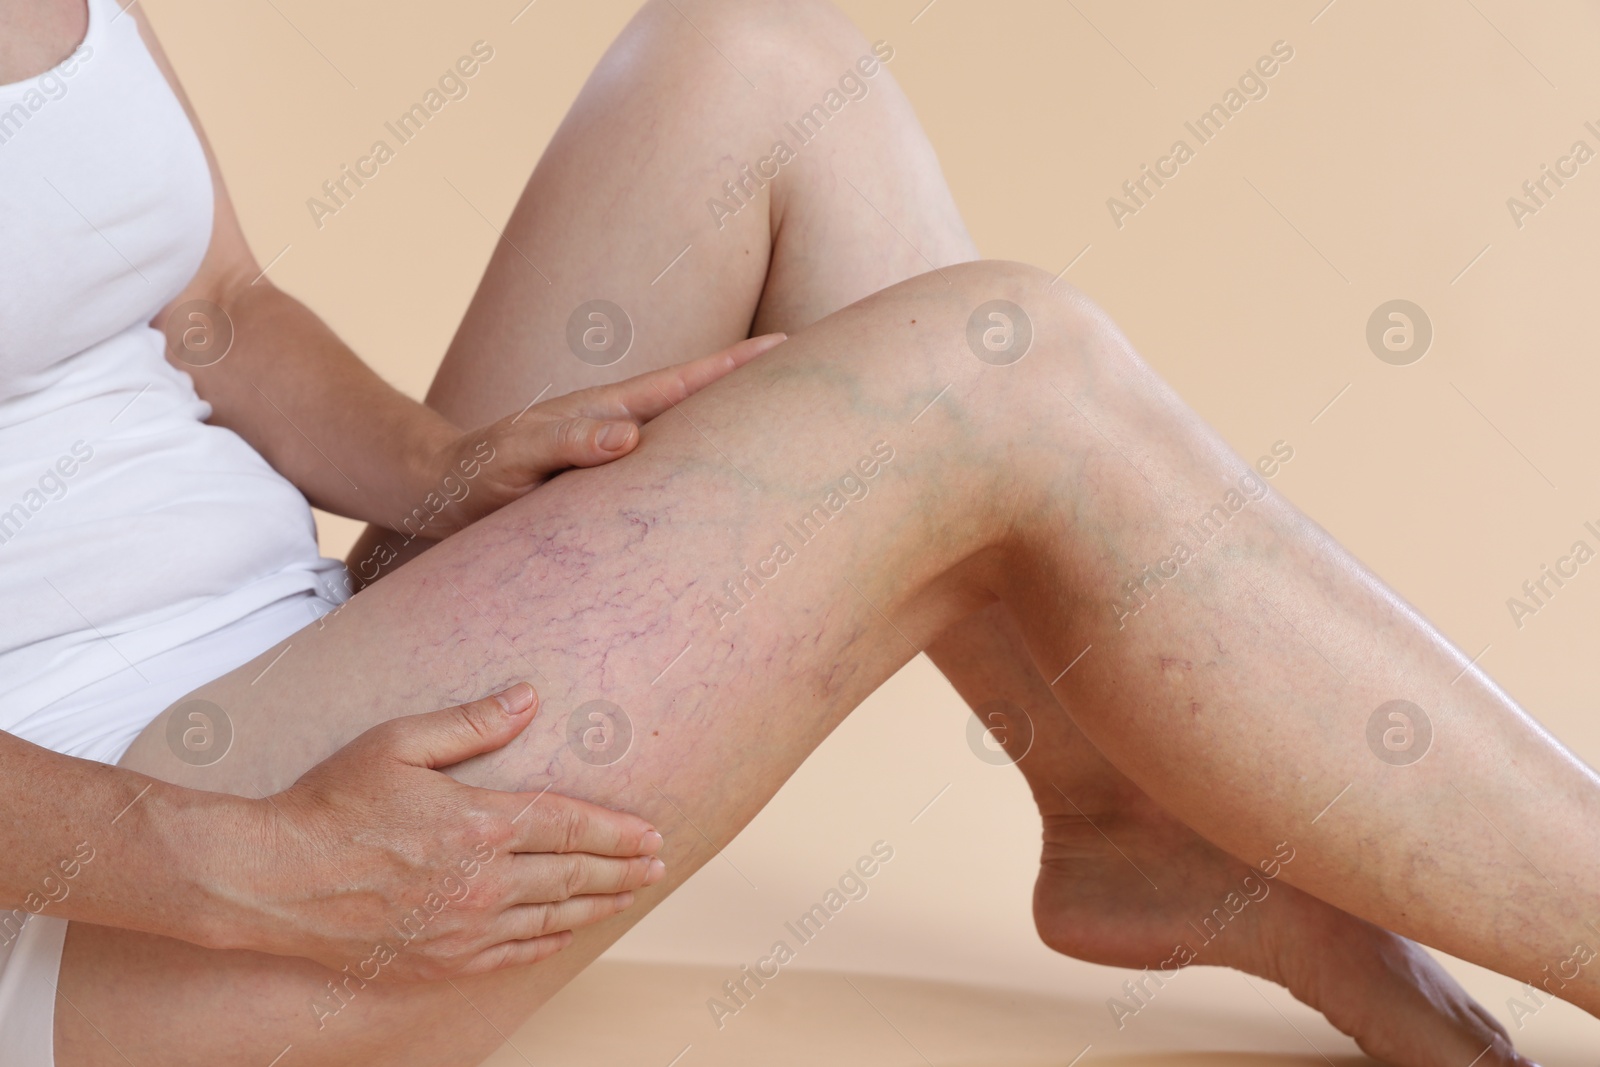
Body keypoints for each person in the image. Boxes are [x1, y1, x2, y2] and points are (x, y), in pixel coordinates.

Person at [0, 0, 1584, 1064]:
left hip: (297, 658)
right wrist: (248, 869)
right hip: (104, 883)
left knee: (757, 65)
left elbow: (215, 307)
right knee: (1003, 371)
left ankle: (1115, 809)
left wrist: (440, 469)